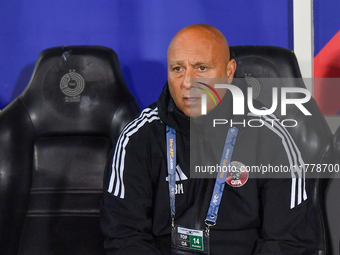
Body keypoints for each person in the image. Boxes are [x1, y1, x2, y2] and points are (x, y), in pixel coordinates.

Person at [101, 24, 318, 254]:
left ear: (229, 71)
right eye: (177, 69)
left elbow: (288, 241)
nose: (187, 82)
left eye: (201, 68)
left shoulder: (272, 138)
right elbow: (123, 236)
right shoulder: (138, 137)